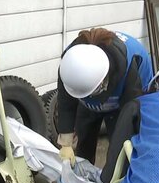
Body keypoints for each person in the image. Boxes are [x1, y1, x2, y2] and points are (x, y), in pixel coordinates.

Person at [56, 28, 153, 165]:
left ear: (103, 80)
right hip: (89, 101)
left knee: (120, 149)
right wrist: (66, 143)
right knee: (84, 143)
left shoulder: (130, 64)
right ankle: (84, 178)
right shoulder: (70, 64)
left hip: (125, 99)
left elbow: (132, 118)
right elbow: (66, 103)